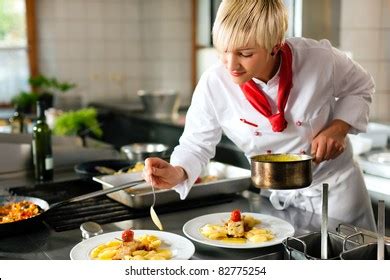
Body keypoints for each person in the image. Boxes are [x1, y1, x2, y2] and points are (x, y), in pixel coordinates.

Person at [143, 0, 376, 230]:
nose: (231, 65)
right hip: (276, 198)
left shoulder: (319, 58)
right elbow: (196, 145)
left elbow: (361, 86)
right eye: (223, 50)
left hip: (335, 192)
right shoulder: (214, 84)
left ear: (275, 45)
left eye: (244, 53)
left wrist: (339, 127)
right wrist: (177, 172)